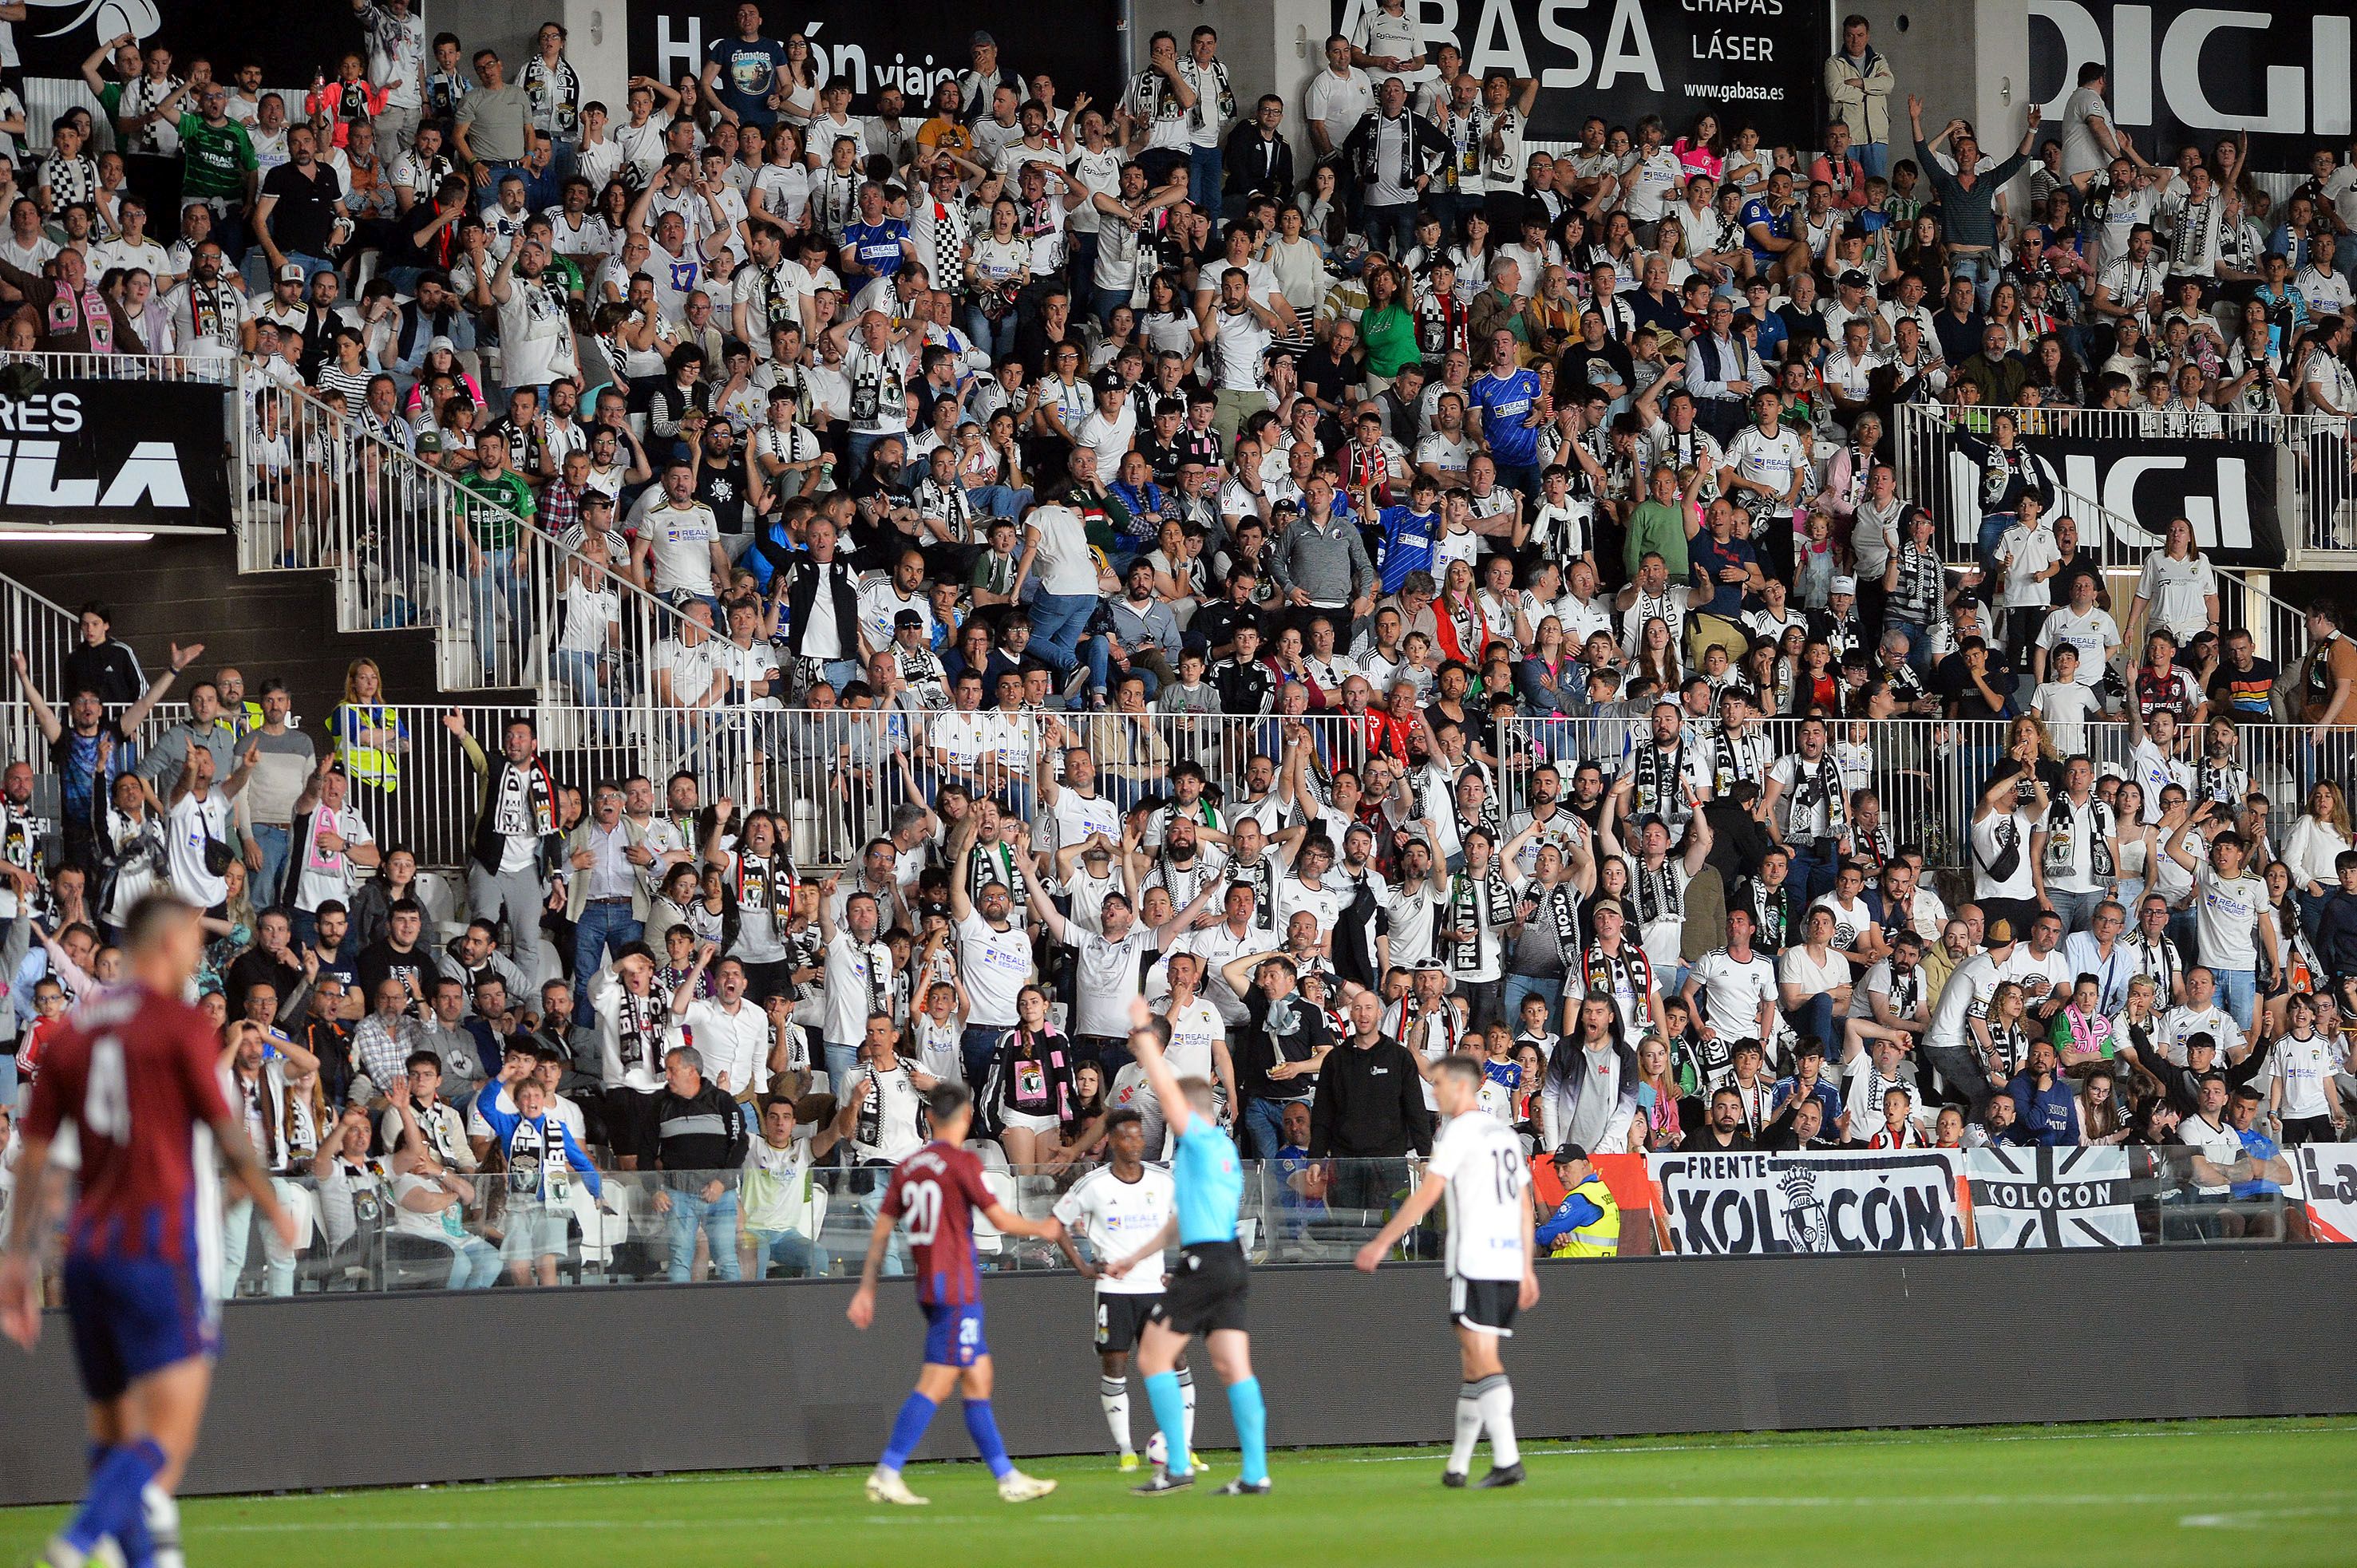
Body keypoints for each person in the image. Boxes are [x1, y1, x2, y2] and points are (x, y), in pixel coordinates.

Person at [2, 894, 295, 1568]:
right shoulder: (178, 1026)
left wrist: (16, 1260)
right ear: (165, 944)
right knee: (169, 1432)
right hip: (156, 1245)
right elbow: (227, 1134)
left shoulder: (73, 1032)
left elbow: (36, 1157)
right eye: (192, 941)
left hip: (86, 1252)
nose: (197, 954)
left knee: (111, 1428)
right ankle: (79, 1539)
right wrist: (269, 1201)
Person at [845, 1081, 1062, 1507]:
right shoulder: (962, 1162)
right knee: (938, 1381)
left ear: (928, 1118)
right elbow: (998, 1219)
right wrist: (1043, 1227)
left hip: (930, 1285)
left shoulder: (907, 1166)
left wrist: (867, 1289)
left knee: (979, 1378)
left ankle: (1007, 1477)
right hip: (956, 1287)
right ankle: (888, 1472)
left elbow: (882, 1232)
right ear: (965, 1117)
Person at [1108, 998, 1271, 1496]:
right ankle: (1255, 1473)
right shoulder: (1222, 1151)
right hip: (1228, 1260)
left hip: (1204, 1264)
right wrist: (1137, 1257)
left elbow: (1171, 1099)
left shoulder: (1198, 1138)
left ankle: (1176, 1466)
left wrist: (1146, 1038)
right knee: (1232, 1366)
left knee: (1153, 1360)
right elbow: (1183, 1220)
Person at [1353, 1054, 1536, 1488]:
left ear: (1459, 1085)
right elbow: (1525, 1206)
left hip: (1474, 1259)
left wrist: (1381, 1243)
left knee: (1482, 1357)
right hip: (1508, 1259)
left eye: (1436, 1084)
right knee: (1472, 1361)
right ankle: (1457, 1466)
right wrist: (1527, 1267)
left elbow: (1425, 1197)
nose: (1432, 1092)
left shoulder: (1457, 1131)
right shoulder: (1505, 1135)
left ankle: (1508, 1459)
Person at [1051, 1108, 1188, 1472]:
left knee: (1176, 1362)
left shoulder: (1162, 1181)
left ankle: (1184, 1446)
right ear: (1111, 1142)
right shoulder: (1094, 1185)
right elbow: (1055, 1222)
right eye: (1126, 1137)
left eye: (1139, 1136)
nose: (1135, 1143)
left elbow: (1186, 1222)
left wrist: (1180, 1268)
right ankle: (1126, 1449)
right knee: (1115, 1365)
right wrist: (1082, 1266)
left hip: (1156, 1288)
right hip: (1114, 1290)